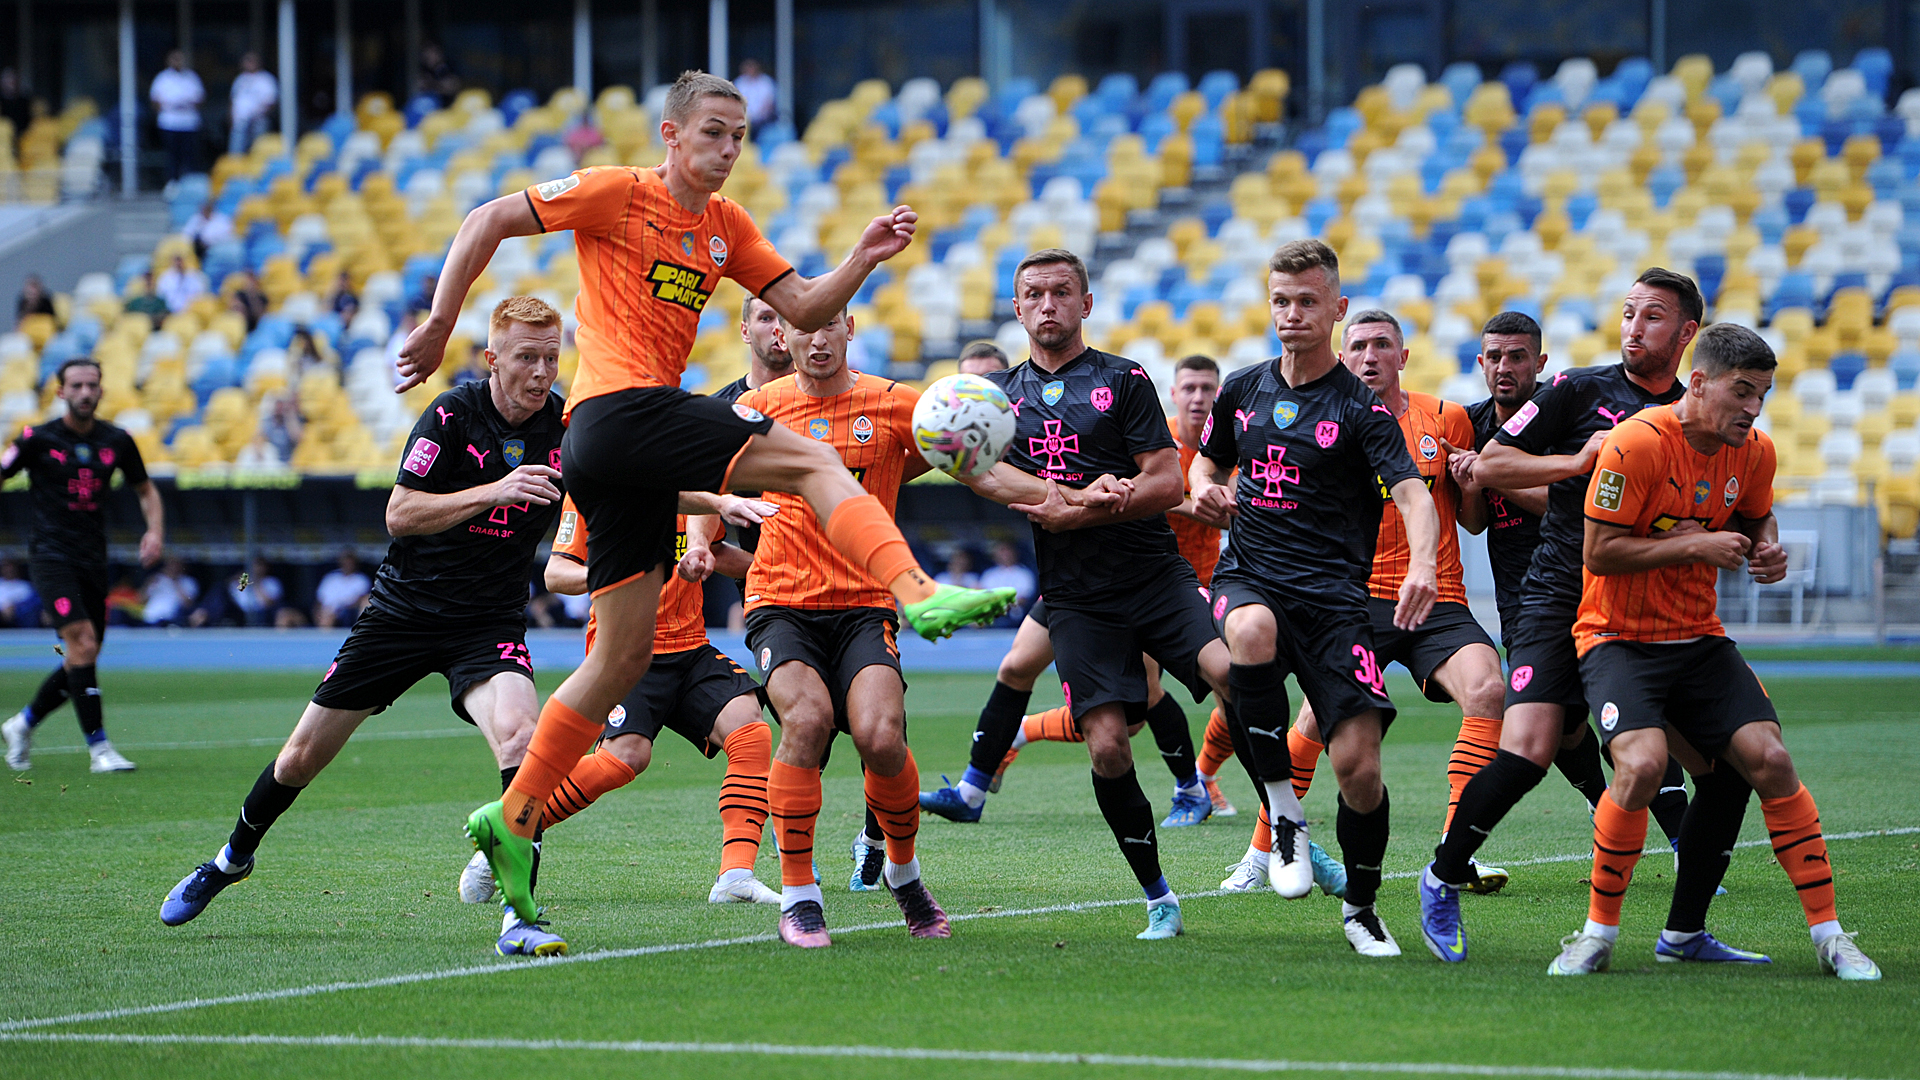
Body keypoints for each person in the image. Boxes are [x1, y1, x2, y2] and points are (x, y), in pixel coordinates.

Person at [397, 70, 1013, 929]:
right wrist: (438, 320)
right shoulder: (617, 193)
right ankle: (919, 591)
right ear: (672, 134)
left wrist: (863, 260)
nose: (727, 150)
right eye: (714, 132)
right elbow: (487, 218)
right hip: (618, 410)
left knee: (616, 660)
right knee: (811, 465)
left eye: (740, 137)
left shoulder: (726, 227)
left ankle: (515, 817)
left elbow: (801, 305)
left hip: (617, 458)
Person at [158, 297, 575, 956]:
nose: (541, 371)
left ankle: (519, 917)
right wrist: (494, 490)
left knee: (525, 741)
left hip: (487, 621)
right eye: (526, 357)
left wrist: (714, 501)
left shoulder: (566, 424)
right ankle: (232, 858)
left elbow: (626, 482)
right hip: (401, 614)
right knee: (299, 758)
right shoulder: (450, 415)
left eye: (551, 357)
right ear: (493, 359)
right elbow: (400, 513)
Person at [1419, 268, 1749, 965]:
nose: (1634, 327)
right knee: (1531, 746)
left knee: (1729, 762)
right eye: (1628, 313)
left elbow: (1744, 496)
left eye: (1652, 317)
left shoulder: (1708, 413)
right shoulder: (1576, 391)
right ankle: (1442, 877)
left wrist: (1762, 538)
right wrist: (1578, 462)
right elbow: (1493, 462)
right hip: (1558, 596)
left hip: (1649, 609)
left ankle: (1684, 931)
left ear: (1687, 335)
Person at [1549, 322, 1879, 981]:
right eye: (1742, 392)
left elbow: (1756, 514)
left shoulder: (1754, 451)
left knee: (1770, 760)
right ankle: (1595, 937)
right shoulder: (1633, 445)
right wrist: (1695, 545)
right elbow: (1598, 553)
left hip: (1698, 639)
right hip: (1617, 639)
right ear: (1698, 384)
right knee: (1640, 768)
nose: (1753, 409)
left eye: (1763, 394)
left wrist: (1767, 545)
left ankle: (1831, 938)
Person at [945, 247, 1235, 941]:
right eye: (1034, 294)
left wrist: (1117, 495)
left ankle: (1282, 829)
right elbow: (986, 480)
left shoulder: (1124, 377)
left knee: (1236, 675)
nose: (1048, 305)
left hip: (1153, 576)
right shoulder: (1000, 400)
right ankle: (1159, 896)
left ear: (1085, 304)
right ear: (1017, 309)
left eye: (1061, 292)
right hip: (1077, 597)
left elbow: (1168, 484)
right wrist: (1080, 499)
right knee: (1106, 745)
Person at [1191, 240, 1440, 958]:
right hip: (1251, 577)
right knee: (1251, 635)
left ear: (1336, 308)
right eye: (1280, 301)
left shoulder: (1362, 412)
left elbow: (1415, 495)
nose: (1291, 314)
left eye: (1306, 301)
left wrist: (1422, 561)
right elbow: (1208, 461)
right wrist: (1205, 486)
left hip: (1336, 603)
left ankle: (1361, 907)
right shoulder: (1242, 388)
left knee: (1360, 770)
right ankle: (1284, 812)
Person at [1218, 310, 1506, 898]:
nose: (1370, 356)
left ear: (1404, 356)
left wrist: (1471, 482)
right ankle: (1262, 849)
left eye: (1383, 345)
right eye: (1359, 346)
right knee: (1311, 722)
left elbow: (1471, 520)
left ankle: (1455, 856)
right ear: (1342, 356)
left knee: (1488, 689)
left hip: (1436, 598)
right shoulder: (1331, 417)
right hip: (1353, 596)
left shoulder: (1446, 418)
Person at [736, 307, 956, 947]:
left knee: (882, 737)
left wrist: (1049, 495)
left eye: (829, 325)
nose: (817, 338)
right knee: (805, 721)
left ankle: (904, 875)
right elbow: (705, 474)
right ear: (784, 336)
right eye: (803, 328)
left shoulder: (894, 403)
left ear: (850, 328)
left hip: (864, 601)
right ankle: (801, 896)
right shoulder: (757, 406)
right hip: (780, 601)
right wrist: (702, 530)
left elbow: (961, 456)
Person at [456, 490, 784, 908]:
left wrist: (771, 568)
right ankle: (508, 832)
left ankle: (736, 875)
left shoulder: (696, 477)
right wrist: (623, 573)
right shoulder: (598, 480)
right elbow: (557, 574)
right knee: (624, 759)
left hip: (689, 645)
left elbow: (714, 547)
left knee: (750, 730)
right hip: (625, 647)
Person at [969, 353, 1245, 831]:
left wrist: (1185, 498)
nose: (1199, 398)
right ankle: (982, 775)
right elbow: (1149, 487)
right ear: (1174, 396)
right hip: (1087, 576)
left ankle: (1203, 780)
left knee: (1199, 693)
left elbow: (1198, 498)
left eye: (1208, 389)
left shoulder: (1221, 446)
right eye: (1189, 388)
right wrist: (1104, 497)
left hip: (1172, 576)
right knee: (1024, 667)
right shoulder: (1153, 431)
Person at [1464, 312, 1697, 867]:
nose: (1504, 367)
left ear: (1539, 364)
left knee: (1640, 714)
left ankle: (1684, 839)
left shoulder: (1563, 406)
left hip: (1597, 582)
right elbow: (1472, 520)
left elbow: (1574, 507)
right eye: (1494, 357)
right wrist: (1471, 478)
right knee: (1561, 724)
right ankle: (1599, 800)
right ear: (1480, 363)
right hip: (1525, 596)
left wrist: (1497, 475)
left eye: (1517, 356)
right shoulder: (1470, 424)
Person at [1, 358, 163, 774]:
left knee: (82, 652)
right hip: (50, 556)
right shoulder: (36, 439)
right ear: (60, 392)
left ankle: (22, 724)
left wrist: (154, 532)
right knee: (84, 643)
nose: (85, 392)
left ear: (102, 390)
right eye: (76, 385)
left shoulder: (119, 440)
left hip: (93, 558)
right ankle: (99, 749)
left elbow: (146, 490)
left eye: (92, 385)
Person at [150, 49, 205, 183]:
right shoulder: (162, 78)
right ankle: (172, 182)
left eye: (179, 59)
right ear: (169, 61)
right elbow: (155, 100)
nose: (177, 62)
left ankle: (189, 184)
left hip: (188, 123)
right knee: (172, 156)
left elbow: (200, 98)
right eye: (174, 59)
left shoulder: (192, 77)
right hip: (170, 123)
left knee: (189, 156)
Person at [228, 52, 277, 156]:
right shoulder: (240, 79)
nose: (248, 64)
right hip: (240, 121)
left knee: (257, 149)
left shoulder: (266, 79)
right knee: (237, 151)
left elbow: (271, 102)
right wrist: (231, 117)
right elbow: (233, 100)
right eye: (247, 61)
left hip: (258, 121)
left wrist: (258, 114)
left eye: (251, 61)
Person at [977, 540, 1036, 624]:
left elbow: (1024, 599)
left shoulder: (1023, 573)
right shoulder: (989, 574)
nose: (1005, 555)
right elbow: (981, 593)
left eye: (1007, 551)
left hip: (1013, 614)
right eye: (1001, 551)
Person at [313, 550, 370, 627]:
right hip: (325, 611)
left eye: (350, 562)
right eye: (345, 561)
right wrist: (317, 612)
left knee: (329, 618)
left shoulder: (361, 579)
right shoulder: (330, 577)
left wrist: (339, 610)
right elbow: (319, 600)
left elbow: (360, 600)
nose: (347, 564)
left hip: (344, 613)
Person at [226, 556, 286, 627]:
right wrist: (240, 578)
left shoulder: (271, 582)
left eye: (260, 565)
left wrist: (255, 583)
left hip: (264, 615)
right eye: (254, 565)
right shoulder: (244, 579)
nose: (257, 569)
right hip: (241, 614)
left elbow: (269, 603)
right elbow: (232, 592)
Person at [141, 556, 201, 626]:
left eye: (175, 564)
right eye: (170, 564)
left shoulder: (188, 582)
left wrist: (175, 582)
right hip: (148, 619)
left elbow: (188, 604)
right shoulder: (158, 579)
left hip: (168, 621)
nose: (172, 567)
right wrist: (148, 584)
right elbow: (141, 599)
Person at [735, 59, 777, 128]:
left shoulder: (766, 82)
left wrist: (760, 117)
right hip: (743, 119)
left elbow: (769, 103)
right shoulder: (739, 82)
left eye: (752, 68)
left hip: (763, 120)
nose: (750, 70)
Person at [0, 558, 40, 628]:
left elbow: (33, 602)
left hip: (19, 614)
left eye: (11, 568)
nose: (9, 570)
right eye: (6, 567)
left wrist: (14, 607)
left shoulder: (25, 585)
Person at [0, 68, 32, 148]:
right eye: (8, 81)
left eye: (13, 81)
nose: (11, 84)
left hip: (23, 138)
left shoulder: (24, 101)